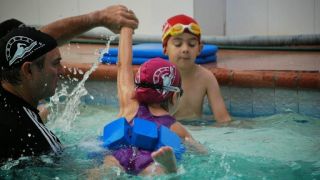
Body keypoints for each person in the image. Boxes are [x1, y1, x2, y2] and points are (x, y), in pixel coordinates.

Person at [0, 5, 139, 164]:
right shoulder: (34, 136)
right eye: (55, 63)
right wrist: (111, 162)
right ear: (28, 70)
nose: (61, 70)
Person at [97, 27, 205, 176]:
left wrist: (126, 29)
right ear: (174, 96)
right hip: (149, 161)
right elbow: (201, 152)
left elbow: (123, 65)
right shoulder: (176, 128)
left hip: (118, 154)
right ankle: (168, 169)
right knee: (156, 171)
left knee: (108, 166)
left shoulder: (129, 105)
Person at [161, 14, 231, 123]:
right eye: (178, 44)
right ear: (165, 49)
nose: (185, 49)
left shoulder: (206, 77)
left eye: (192, 44)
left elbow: (223, 119)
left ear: (200, 48)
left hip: (198, 132)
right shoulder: (157, 77)